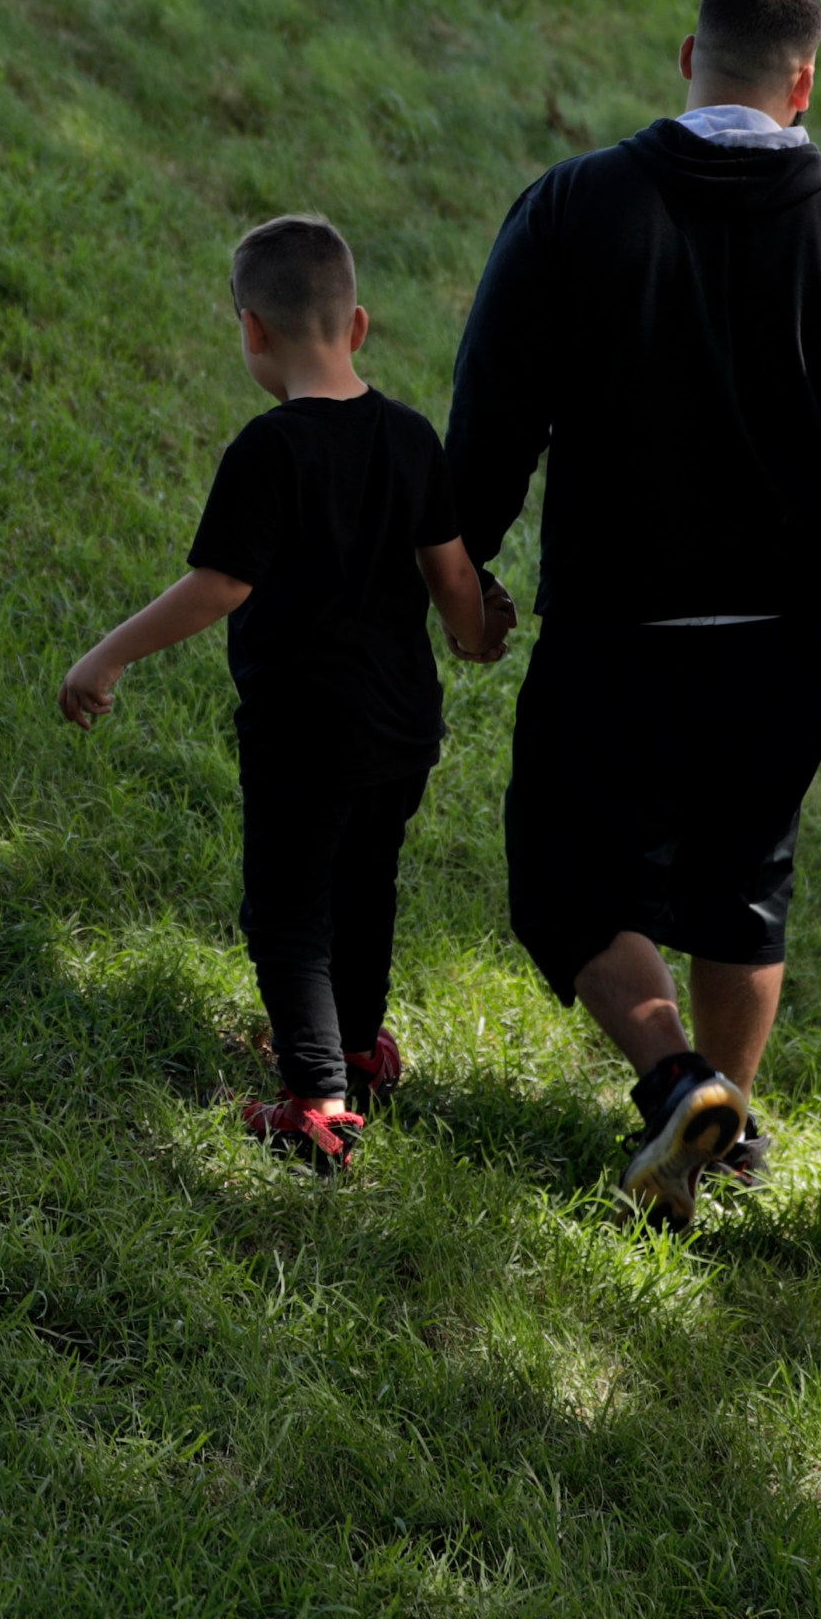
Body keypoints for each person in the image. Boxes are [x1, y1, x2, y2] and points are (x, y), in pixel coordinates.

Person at [446, 0, 821, 1222]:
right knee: (745, 885)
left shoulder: (574, 207)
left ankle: (679, 1084)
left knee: (567, 885)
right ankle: (715, 1143)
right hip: (787, 639)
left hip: (620, 627)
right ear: (805, 82)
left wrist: (469, 559)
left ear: (689, 59)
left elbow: (495, 405)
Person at [63, 215, 505, 1172]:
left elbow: (221, 585)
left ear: (252, 330)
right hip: (399, 728)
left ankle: (315, 1100)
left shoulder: (269, 451)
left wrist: (106, 656)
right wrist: (475, 641)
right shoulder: (408, 436)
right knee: (365, 887)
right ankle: (355, 1048)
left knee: (289, 909)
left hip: (303, 730)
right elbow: (453, 577)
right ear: (359, 327)